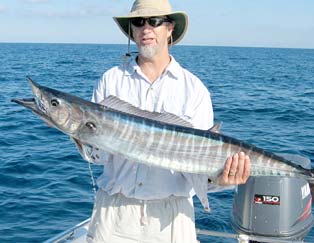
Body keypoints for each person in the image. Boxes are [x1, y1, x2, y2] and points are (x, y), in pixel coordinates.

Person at [82, 0, 251, 242]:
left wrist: (221, 180)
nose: (146, 28)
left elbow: (202, 172)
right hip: (113, 214)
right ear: (132, 30)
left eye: (155, 21)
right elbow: (98, 158)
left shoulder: (194, 89)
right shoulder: (111, 81)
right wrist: (79, 134)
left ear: (170, 28)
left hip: (172, 218)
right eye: (138, 22)